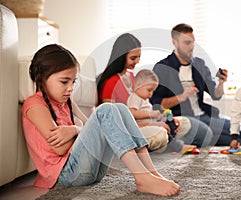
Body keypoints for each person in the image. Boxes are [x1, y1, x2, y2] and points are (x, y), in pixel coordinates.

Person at [22, 44, 180, 196]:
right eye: (64, 82)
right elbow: (60, 149)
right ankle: (142, 178)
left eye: (73, 82)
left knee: (120, 108)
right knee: (104, 110)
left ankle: (151, 173)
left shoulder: (68, 102)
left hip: (90, 171)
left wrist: (74, 129)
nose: (70, 88)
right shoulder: (35, 105)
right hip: (65, 175)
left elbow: (89, 126)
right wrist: (80, 127)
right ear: (42, 78)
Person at [97, 33, 212, 149]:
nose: (137, 61)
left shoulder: (133, 78)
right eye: (133, 58)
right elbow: (113, 122)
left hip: (145, 122)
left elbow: (146, 106)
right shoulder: (110, 83)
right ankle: (170, 145)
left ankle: (166, 143)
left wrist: (163, 118)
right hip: (128, 129)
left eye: (139, 57)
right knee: (160, 134)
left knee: (185, 123)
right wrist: (151, 124)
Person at [150, 23, 231, 146]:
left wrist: (221, 83)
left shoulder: (199, 64)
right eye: (187, 43)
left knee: (236, 128)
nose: (192, 46)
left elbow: (216, 95)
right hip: (182, 119)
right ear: (174, 42)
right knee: (227, 137)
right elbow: (157, 104)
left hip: (203, 115)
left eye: (193, 42)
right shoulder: (162, 68)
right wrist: (182, 96)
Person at [127, 69, 196, 153]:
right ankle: (177, 146)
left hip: (151, 123)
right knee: (163, 129)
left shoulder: (144, 99)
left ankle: (169, 142)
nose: (151, 94)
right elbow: (132, 113)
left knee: (170, 122)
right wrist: (152, 114)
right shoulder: (135, 98)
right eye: (149, 90)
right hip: (141, 126)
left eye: (153, 91)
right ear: (138, 85)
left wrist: (167, 116)